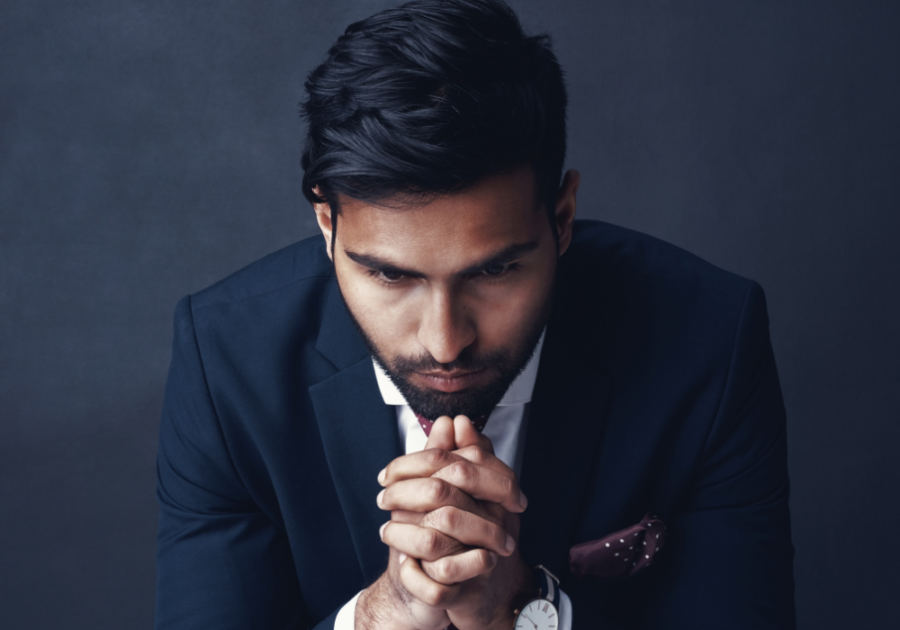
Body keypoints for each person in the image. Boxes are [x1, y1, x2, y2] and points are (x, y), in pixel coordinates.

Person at [154, 0, 796, 628]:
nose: (444, 343)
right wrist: (383, 617)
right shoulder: (228, 365)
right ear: (327, 226)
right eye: (388, 274)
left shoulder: (709, 341)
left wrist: (520, 611)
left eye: (494, 271)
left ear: (563, 219)